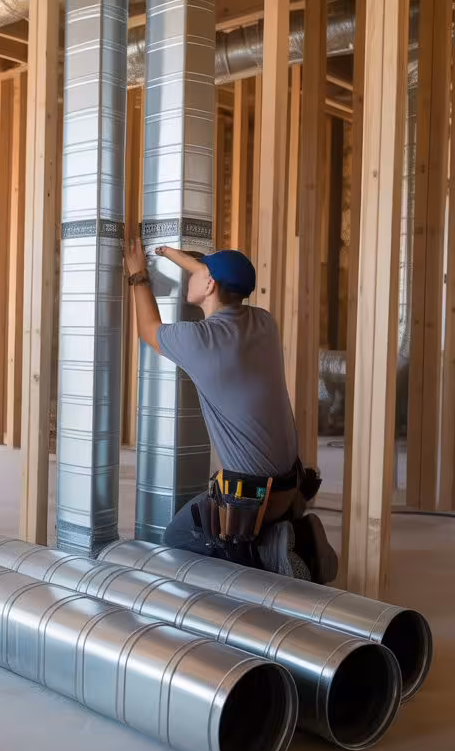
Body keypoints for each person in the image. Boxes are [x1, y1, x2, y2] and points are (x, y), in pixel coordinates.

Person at [123, 238, 337, 582]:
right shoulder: (264, 323)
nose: (190, 274)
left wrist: (137, 274)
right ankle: (289, 532)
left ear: (209, 284)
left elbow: (148, 331)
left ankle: (266, 550)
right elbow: (215, 278)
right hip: (287, 487)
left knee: (175, 539)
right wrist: (171, 254)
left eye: (199, 271)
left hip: (249, 502)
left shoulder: (200, 341)